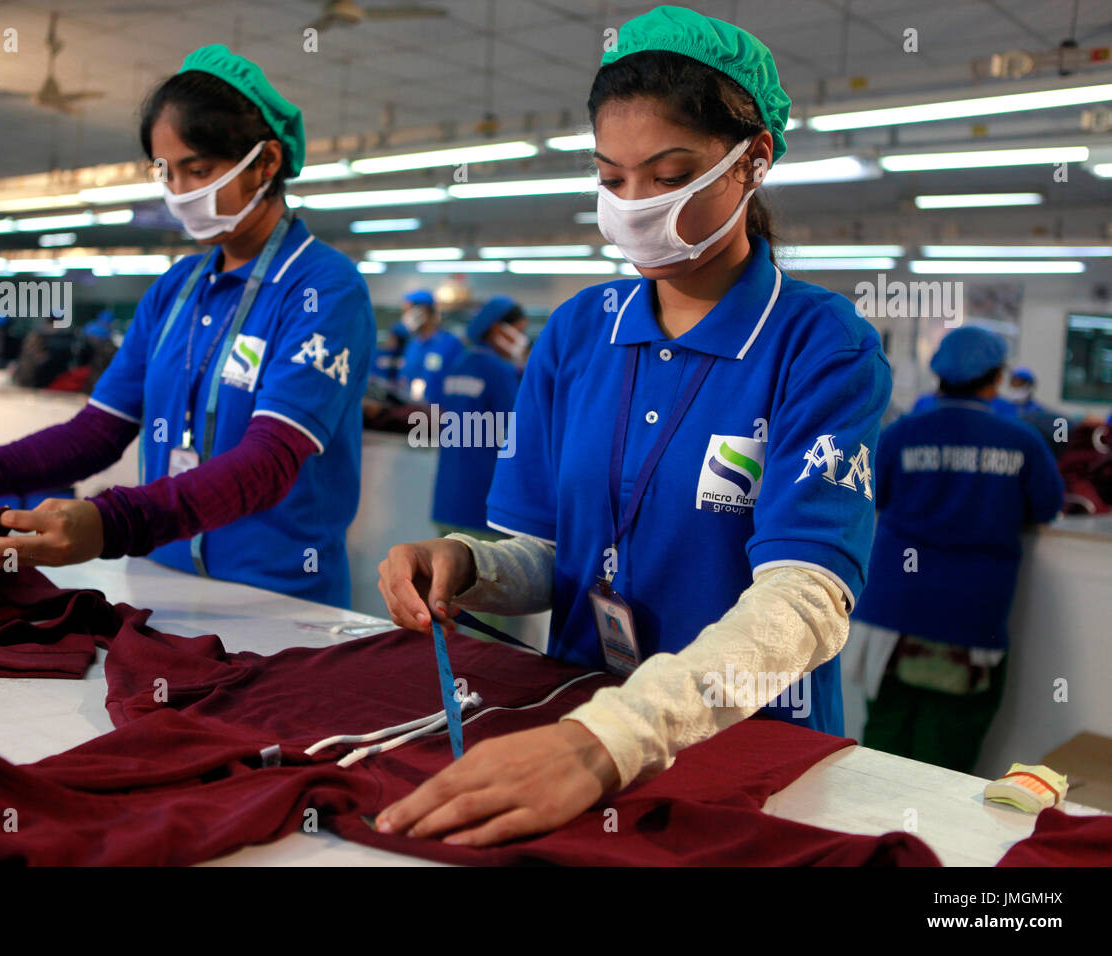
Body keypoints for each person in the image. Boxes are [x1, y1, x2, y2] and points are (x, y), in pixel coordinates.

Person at [374, 6, 891, 846]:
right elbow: (553, 557)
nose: (635, 205)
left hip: (747, 743)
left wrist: (611, 739)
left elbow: (806, 602)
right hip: (575, 720)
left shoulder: (820, 345)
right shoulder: (580, 331)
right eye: (612, 179)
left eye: (668, 173)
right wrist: (469, 566)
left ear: (753, 159)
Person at [0, 45, 374, 608]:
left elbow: (269, 462)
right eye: (166, 173)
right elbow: (94, 434)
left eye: (198, 170)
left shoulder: (322, 288)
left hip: (282, 597)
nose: (180, 193)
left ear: (266, 163)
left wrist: (112, 522)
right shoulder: (176, 290)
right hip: (161, 580)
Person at [850, 327, 1064, 773]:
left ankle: (868, 835)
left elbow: (875, 498)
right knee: (947, 751)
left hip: (894, 611)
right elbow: (1046, 509)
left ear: (939, 377)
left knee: (884, 737)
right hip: (970, 619)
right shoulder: (1022, 441)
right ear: (995, 379)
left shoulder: (901, 433)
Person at [431, 296, 527, 538]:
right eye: (518, 331)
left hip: (449, 498)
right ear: (498, 329)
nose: (521, 340)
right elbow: (515, 432)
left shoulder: (459, 364)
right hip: (484, 504)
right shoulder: (500, 371)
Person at [398, 289, 463, 403]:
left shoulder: (450, 344)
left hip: (441, 414)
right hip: (413, 413)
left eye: (408, 311)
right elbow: (404, 377)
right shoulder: (413, 345)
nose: (406, 317)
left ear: (424, 310)